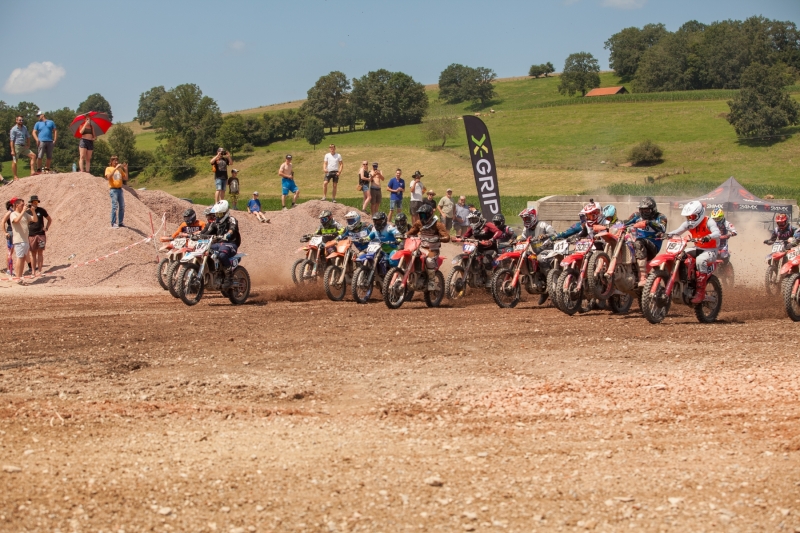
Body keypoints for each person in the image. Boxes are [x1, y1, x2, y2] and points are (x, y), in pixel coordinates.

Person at [667, 200, 721, 304]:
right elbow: (678, 231)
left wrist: (709, 236)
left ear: (699, 214)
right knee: (679, 255)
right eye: (688, 217)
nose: (689, 219)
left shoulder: (709, 221)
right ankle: (685, 280)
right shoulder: (688, 224)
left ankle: (700, 292)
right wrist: (666, 234)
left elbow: (717, 232)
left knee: (700, 260)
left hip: (711, 250)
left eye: (692, 217)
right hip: (697, 248)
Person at [622, 197, 668, 286]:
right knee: (626, 241)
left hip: (653, 245)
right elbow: (626, 222)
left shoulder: (661, 217)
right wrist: (615, 225)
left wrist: (648, 223)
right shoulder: (636, 215)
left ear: (653, 209)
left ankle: (642, 277)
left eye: (646, 210)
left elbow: (662, 228)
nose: (643, 213)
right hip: (637, 243)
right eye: (642, 210)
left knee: (639, 241)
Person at [405, 204, 450, 290]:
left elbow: (446, 236)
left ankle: (432, 283)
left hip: (433, 250)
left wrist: (441, 238)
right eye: (420, 214)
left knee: (429, 260)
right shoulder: (419, 223)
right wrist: (405, 235)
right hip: (421, 248)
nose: (421, 217)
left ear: (429, 214)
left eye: (423, 215)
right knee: (409, 255)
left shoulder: (437, 224)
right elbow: (411, 232)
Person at [199, 200, 241, 289]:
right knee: (204, 251)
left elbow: (232, 229)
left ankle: (229, 277)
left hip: (230, 244)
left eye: (220, 214)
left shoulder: (231, 219)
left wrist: (227, 235)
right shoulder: (215, 223)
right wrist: (198, 236)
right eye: (216, 214)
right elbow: (207, 232)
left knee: (222, 254)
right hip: (218, 244)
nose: (217, 216)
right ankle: (213, 272)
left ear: (226, 212)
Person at [9, 198, 38, 283]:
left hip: (25, 240)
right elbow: (16, 221)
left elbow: (35, 219)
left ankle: (20, 276)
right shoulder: (13, 214)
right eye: (22, 204)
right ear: (17, 205)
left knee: (23, 258)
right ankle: (18, 277)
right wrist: (23, 211)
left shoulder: (25, 214)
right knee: (19, 258)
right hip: (19, 240)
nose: (23, 206)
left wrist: (33, 211)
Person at [27, 195, 50, 277]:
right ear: (31, 203)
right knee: (33, 253)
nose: (35, 203)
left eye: (36, 202)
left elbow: (49, 219)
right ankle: (33, 271)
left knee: (40, 252)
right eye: (34, 202)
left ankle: (40, 271)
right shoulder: (27, 212)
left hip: (41, 234)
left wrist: (46, 227)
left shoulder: (42, 210)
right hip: (31, 235)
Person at [10, 116, 36, 180]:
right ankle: (15, 176)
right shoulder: (13, 129)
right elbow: (11, 141)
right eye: (19, 120)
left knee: (33, 156)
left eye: (22, 120)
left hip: (23, 146)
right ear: (16, 121)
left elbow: (28, 136)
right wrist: (12, 150)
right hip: (17, 146)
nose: (21, 121)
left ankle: (32, 171)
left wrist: (28, 144)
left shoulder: (24, 128)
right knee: (15, 161)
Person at [104, 155, 128, 228]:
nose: (116, 162)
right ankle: (113, 222)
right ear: (111, 161)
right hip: (113, 189)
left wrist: (126, 169)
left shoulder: (120, 170)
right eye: (115, 161)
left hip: (120, 190)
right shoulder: (108, 168)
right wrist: (115, 169)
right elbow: (108, 177)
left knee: (122, 206)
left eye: (117, 161)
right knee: (114, 206)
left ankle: (120, 222)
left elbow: (125, 178)